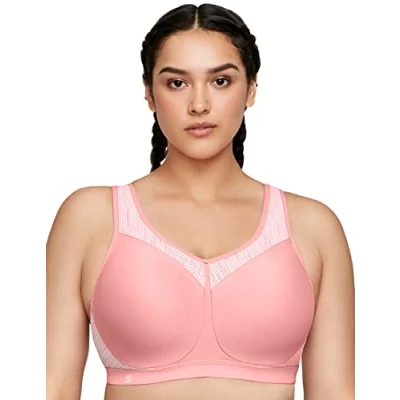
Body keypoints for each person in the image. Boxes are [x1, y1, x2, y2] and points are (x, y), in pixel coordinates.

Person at [46, 3, 355, 400]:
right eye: (177, 83)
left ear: (252, 88)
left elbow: (334, 392)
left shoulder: (312, 227)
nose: (199, 105)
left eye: (221, 81)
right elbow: (53, 387)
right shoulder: (91, 218)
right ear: (149, 93)